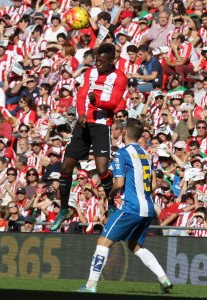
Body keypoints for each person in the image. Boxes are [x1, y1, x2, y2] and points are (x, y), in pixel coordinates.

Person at [78, 118, 173, 294]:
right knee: (135, 245)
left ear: (123, 133)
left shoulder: (122, 153)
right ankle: (164, 279)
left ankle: (90, 285)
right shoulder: (147, 154)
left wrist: (111, 193)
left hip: (132, 207)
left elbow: (119, 183)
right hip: (148, 208)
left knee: (103, 241)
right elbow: (152, 186)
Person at [50, 43, 127, 231]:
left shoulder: (120, 77)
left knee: (102, 170)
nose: (98, 64)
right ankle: (64, 209)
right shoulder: (90, 72)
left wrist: (97, 102)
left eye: (102, 61)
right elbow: (82, 94)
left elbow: (115, 103)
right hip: (84, 124)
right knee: (66, 166)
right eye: (96, 60)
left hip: (102, 125)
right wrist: (81, 112)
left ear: (112, 60)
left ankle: (110, 203)